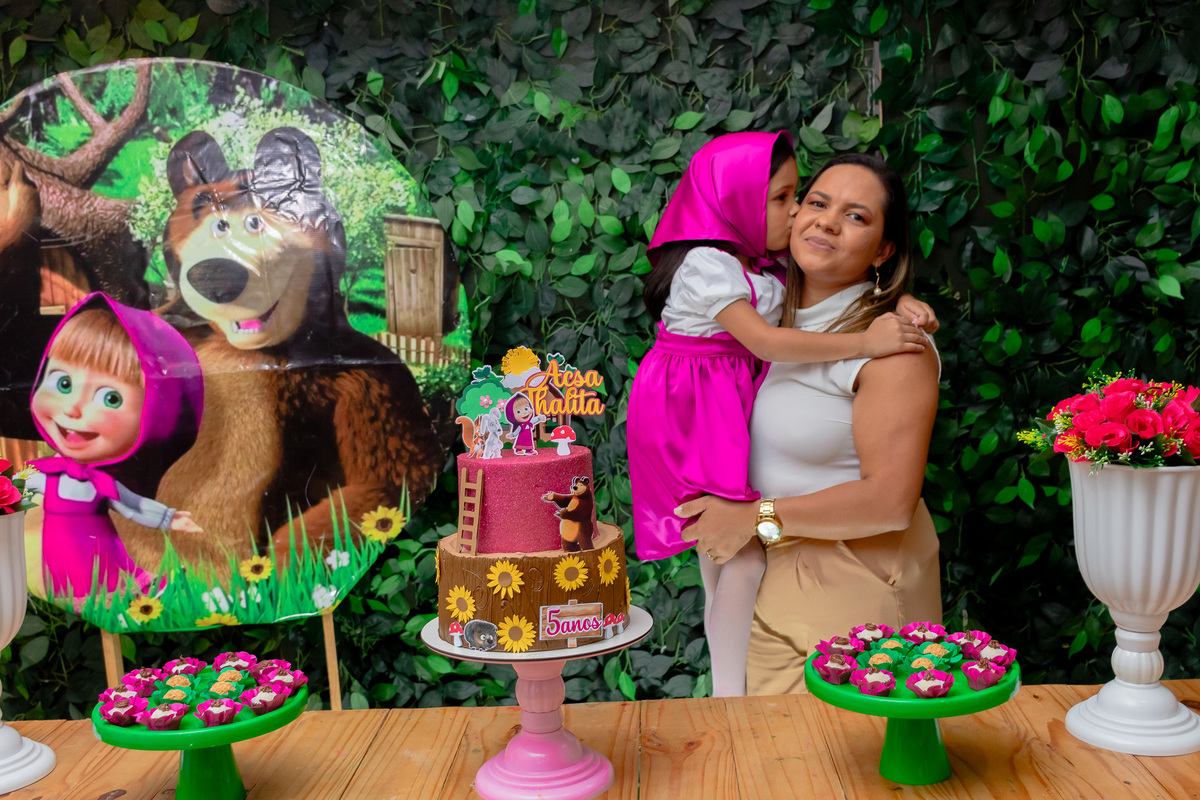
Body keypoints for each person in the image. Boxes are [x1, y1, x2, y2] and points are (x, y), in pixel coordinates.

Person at [627, 133, 937, 697]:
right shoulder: (767, 303)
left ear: (883, 250)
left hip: (847, 613)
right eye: (815, 202)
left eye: (856, 216)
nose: (825, 221)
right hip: (767, 601)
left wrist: (756, 517)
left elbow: (891, 504)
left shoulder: (893, 348)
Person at [27, 293, 205, 600]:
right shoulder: (47, 474)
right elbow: (16, 486)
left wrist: (169, 518)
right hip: (57, 555)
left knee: (107, 589)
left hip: (97, 552)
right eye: (63, 383)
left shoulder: (100, 484)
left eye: (110, 398)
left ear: (152, 414)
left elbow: (133, 506)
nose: (72, 409)